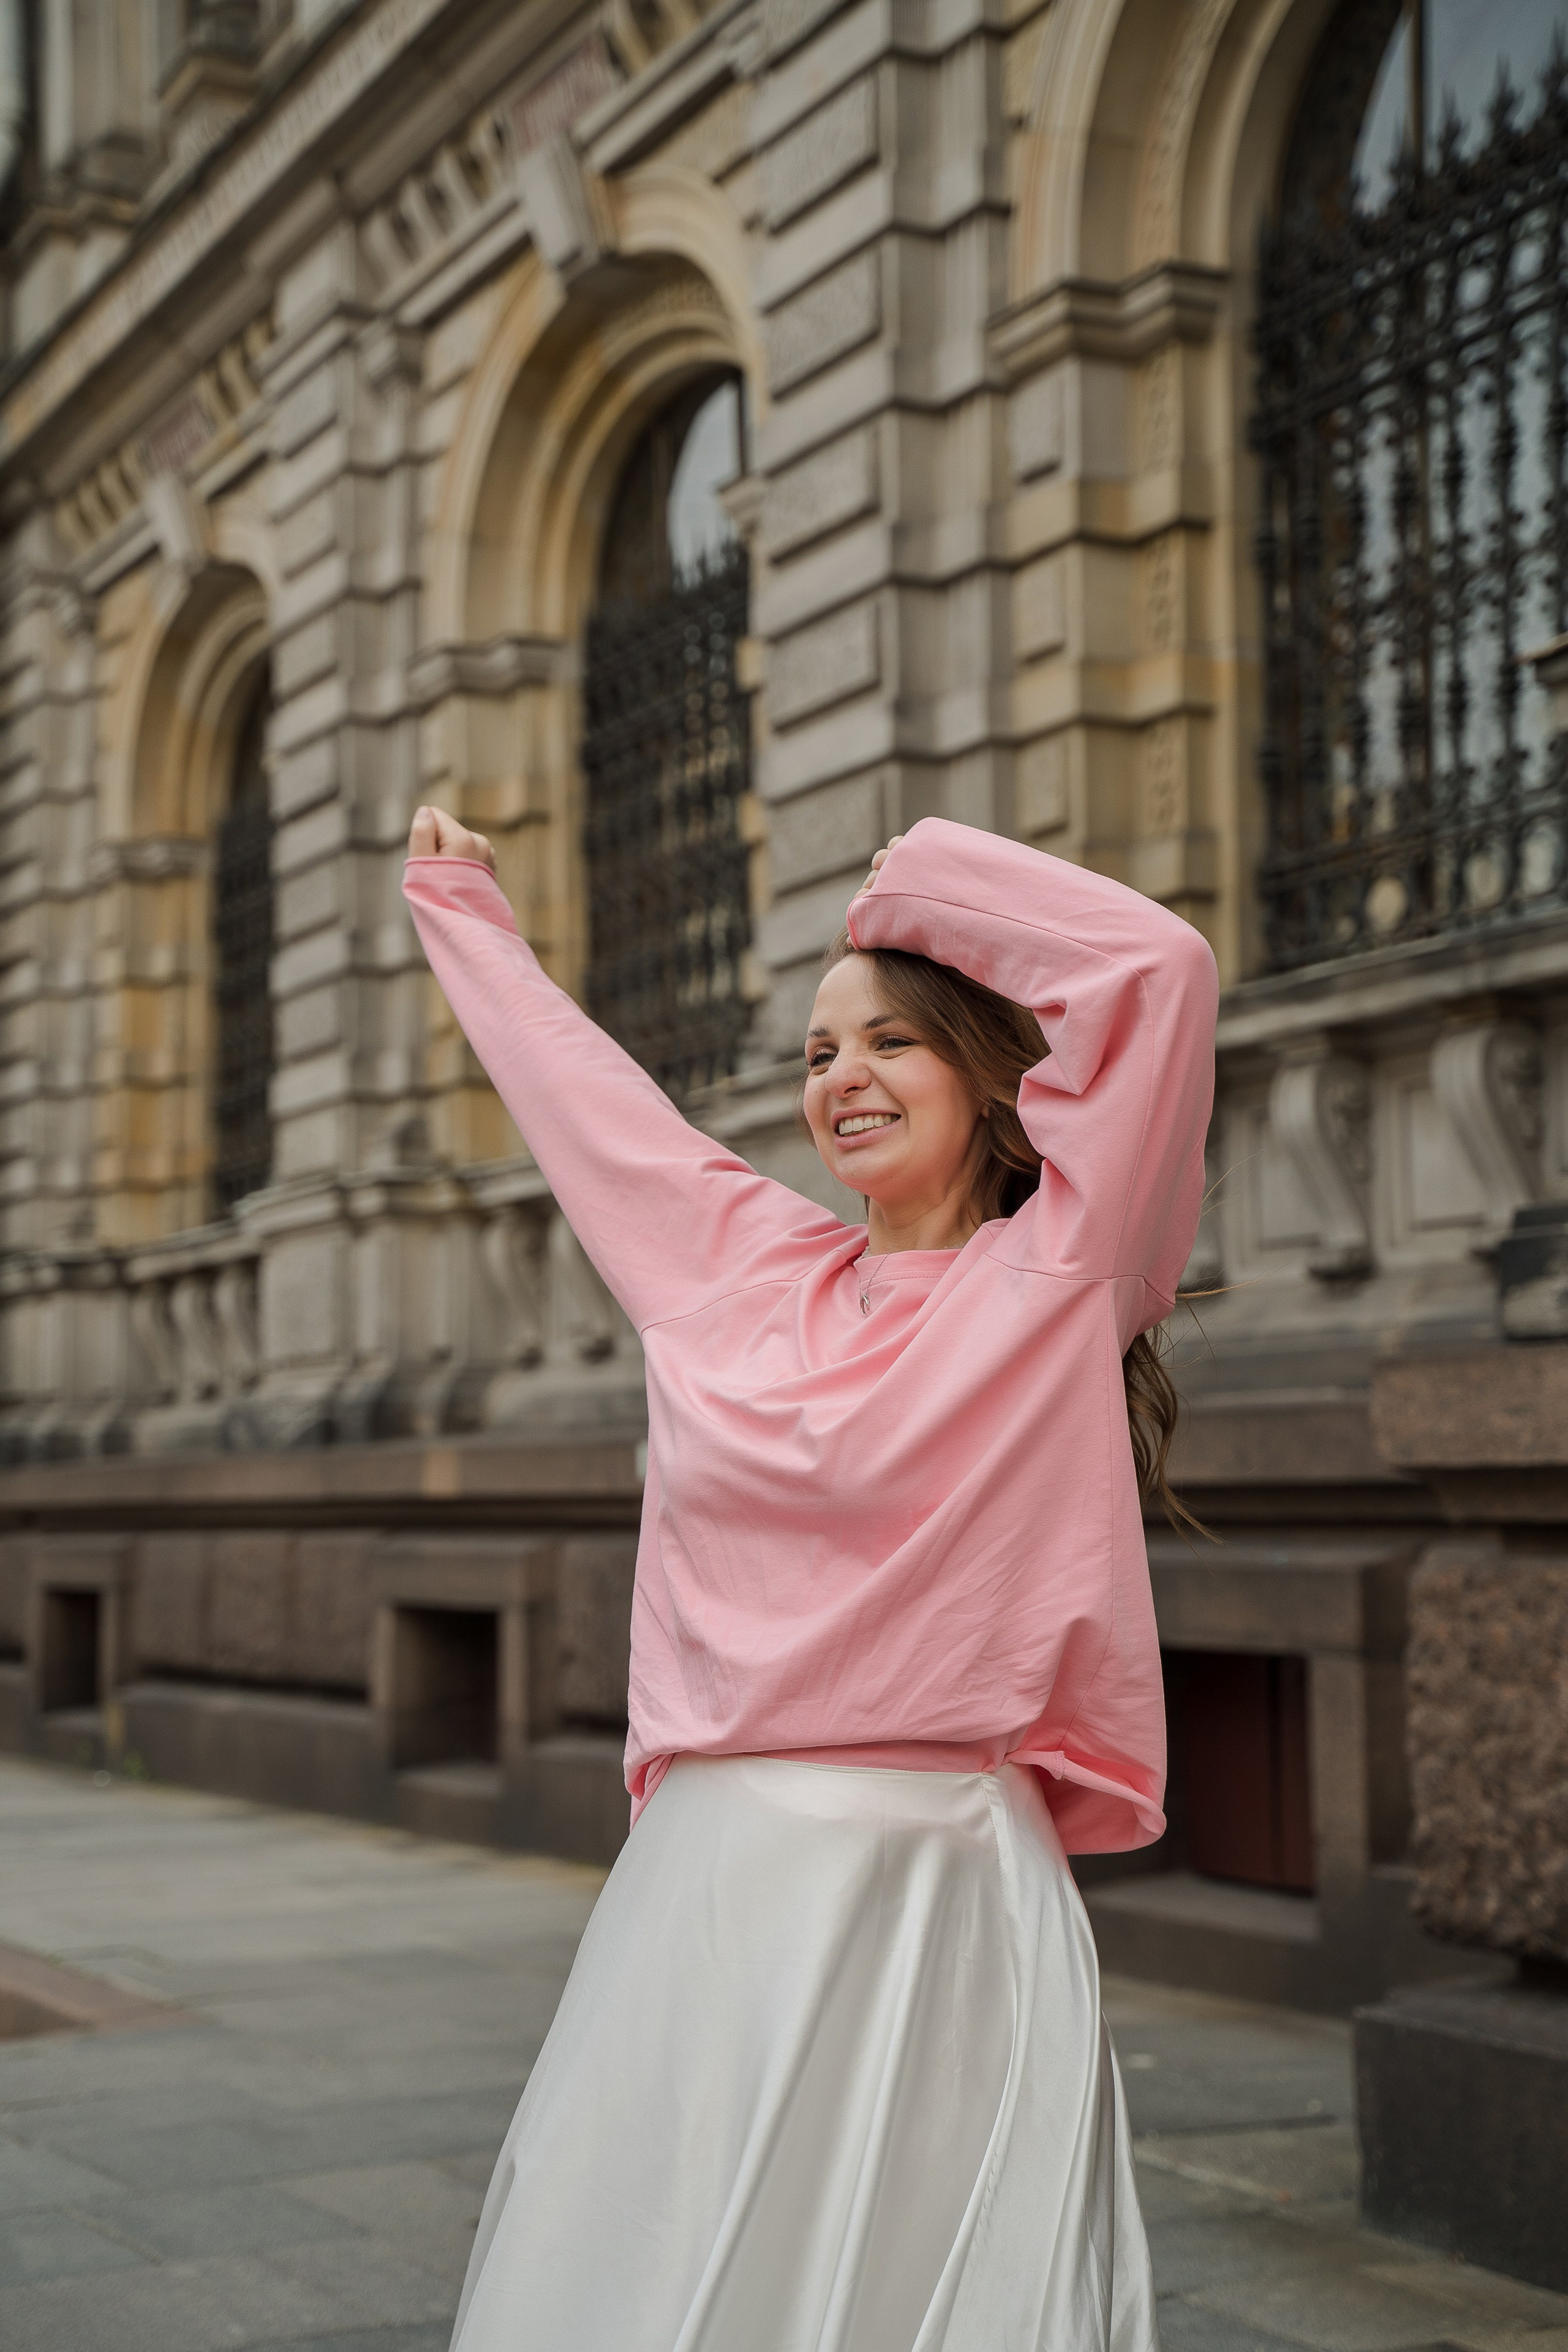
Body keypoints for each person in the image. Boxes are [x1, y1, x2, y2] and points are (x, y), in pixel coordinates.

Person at [402, 808, 1218, 2352]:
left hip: (947, 1883)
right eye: (816, 1053)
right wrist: (461, 909)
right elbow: (584, 1101)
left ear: (997, 1082)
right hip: (720, 1881)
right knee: (669, 2283)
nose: (839, 1076)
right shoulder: (734, 1276)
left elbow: (1157, 967)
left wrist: (907, 887)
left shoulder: (1062, 1273)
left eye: (892, 1041)